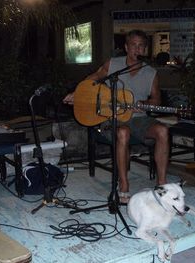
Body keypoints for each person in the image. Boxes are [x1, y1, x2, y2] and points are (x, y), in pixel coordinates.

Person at [63, 30, 169, 203]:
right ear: (126, 47)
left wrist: (144, 103)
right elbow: (94, 79)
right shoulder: (113, 64)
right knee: (123, 132)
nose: (137, 49)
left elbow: (156, 99)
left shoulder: (151, 72)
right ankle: (124, 183)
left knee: (163, 130)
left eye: (141, 45)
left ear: (145, 49)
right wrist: (77, 93)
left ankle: (162, 184)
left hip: (139, 119)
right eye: (134, 45)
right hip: (111, 118)